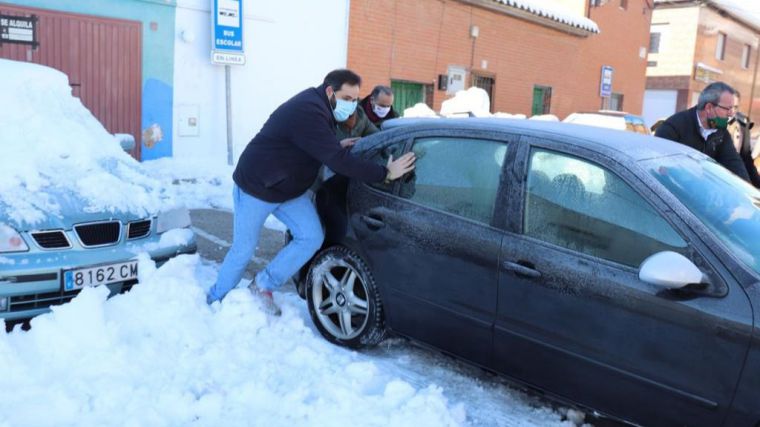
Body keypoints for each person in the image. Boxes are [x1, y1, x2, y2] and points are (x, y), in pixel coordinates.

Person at [207, 69, 416, 314]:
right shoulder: (308, 111)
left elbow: (309, 144)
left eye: (355, 100)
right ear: (330, 91)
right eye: (347, 98)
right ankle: (216, 299)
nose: (351, 105)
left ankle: (263, 284)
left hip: (289, 189)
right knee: (243, 250)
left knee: (310, 236)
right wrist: (385, 173)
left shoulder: (321, 107)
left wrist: (334, 145)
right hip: (257, 187)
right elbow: (338, 161)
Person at [655, 81, 749, 181]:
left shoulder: (721, 131)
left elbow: (734, 164)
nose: (731, 114)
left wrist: (750, 193)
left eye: (733, 109)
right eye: (727, 109)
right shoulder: (672, 128)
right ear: (709, 108)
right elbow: (661, 171)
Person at [729, 111, 760, 188]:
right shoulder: (721, 153)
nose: (738, 134)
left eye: (742, 133)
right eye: (736, 131)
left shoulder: (745, 158)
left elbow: (754, 177)